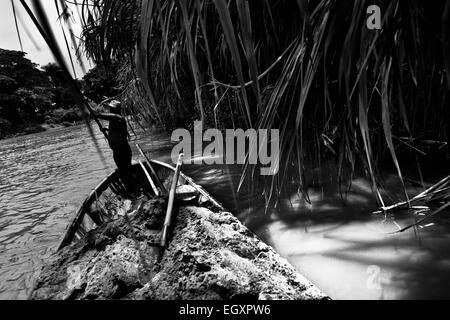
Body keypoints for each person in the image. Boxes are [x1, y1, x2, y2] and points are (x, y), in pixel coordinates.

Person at [96, 100, 133, 179]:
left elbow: (97, 115)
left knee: (125, 173)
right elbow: (118, 132)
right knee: (123, 172)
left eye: (112, 108)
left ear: (117, 109)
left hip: (122, 152)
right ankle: (130, 186)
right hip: (117, 151)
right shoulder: (115, 119)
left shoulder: (117, 117)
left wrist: (85, 104)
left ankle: (132, 187)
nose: (110, 110)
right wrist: (107, 129)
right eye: (110, 108)